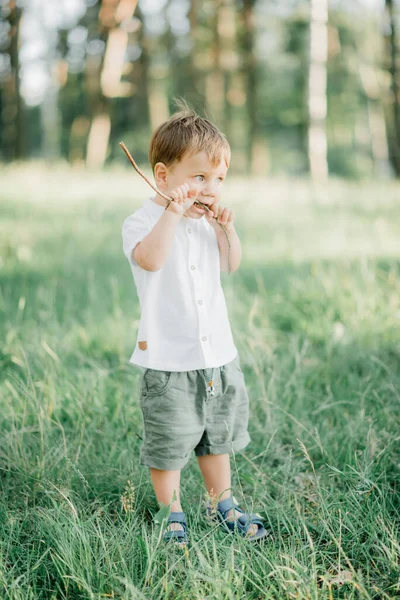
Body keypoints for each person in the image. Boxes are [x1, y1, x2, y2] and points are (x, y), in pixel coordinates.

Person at [121, 102, 268, 546]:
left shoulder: (207, 224)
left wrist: (227, 231)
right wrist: (173, 211)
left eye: (219, 179)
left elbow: (231, 266)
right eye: (199, 177)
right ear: (163, 176)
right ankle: (172, 510)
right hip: (169, 359)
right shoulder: (142, 221)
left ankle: (221, 502)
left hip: (217, 354)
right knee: (169, 440)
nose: (211, 188)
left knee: (216, 435)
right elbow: (151, 258)